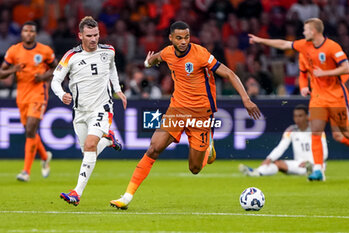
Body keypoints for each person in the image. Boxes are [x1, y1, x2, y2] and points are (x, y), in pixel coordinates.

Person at [110, 21, 261, 210]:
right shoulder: (167, 52)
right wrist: (148, 62)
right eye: (179, 38)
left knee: (195, 169)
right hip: (177, 110)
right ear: (171, 38)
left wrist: (246, 99)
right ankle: (126, 197)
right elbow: (157, 58)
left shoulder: (201, 54)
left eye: (186, 37)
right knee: (153, 149)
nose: (183, 42)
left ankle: (208, 148)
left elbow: (229, 73)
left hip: (201, 115)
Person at [249, 18, 349, 181]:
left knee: (345, 132)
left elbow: (346, 68)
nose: (303, 32)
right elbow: (283, 45)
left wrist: (324, 74)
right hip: (317, 97)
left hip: (336, 96)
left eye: (305, 29)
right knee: (315, 132)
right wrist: (261, 40)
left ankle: (317, 169)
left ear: (314, 31)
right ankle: (318, 170)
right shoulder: (305, 46)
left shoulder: (332, 47)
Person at [51, 16, 127, 206]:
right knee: (88, 150)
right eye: (89, 35)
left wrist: (118, 90)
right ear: (80, 36)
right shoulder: (71, 56)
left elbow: (112, 69)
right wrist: (61, 95)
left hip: (102, 108)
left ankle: (76, 192)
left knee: (91, 145)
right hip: (80, 111)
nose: (94, 39)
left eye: (96, 35)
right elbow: (55, 81)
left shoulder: (108, 51)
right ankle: (109, 140)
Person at [0, 21, 57, 182]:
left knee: (31, 128)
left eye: (32, 31)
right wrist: (13, 70)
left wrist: (44, 77)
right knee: (30, 132)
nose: (29, 33)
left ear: (35, 34)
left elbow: (57, 67)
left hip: (39, 94)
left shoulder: (44, 51)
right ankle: (45, 157)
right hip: (22, 96)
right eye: (26, 30)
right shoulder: (14, 51)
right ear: (22, 33)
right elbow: (2, 73)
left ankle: (26, 171)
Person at [239, 104, 328, 177]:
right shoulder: (291, 130)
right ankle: (257, 172)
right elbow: (281, 147)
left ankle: (313, 170)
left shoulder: (317, 130)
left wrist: (312, 162)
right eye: (295, 116)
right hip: (298, 164)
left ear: (307, 116)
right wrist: (269, 158)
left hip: (317, 164)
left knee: (313, 166)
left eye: (300, 116)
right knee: (277, 163)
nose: (297, 119)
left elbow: (324, 152)